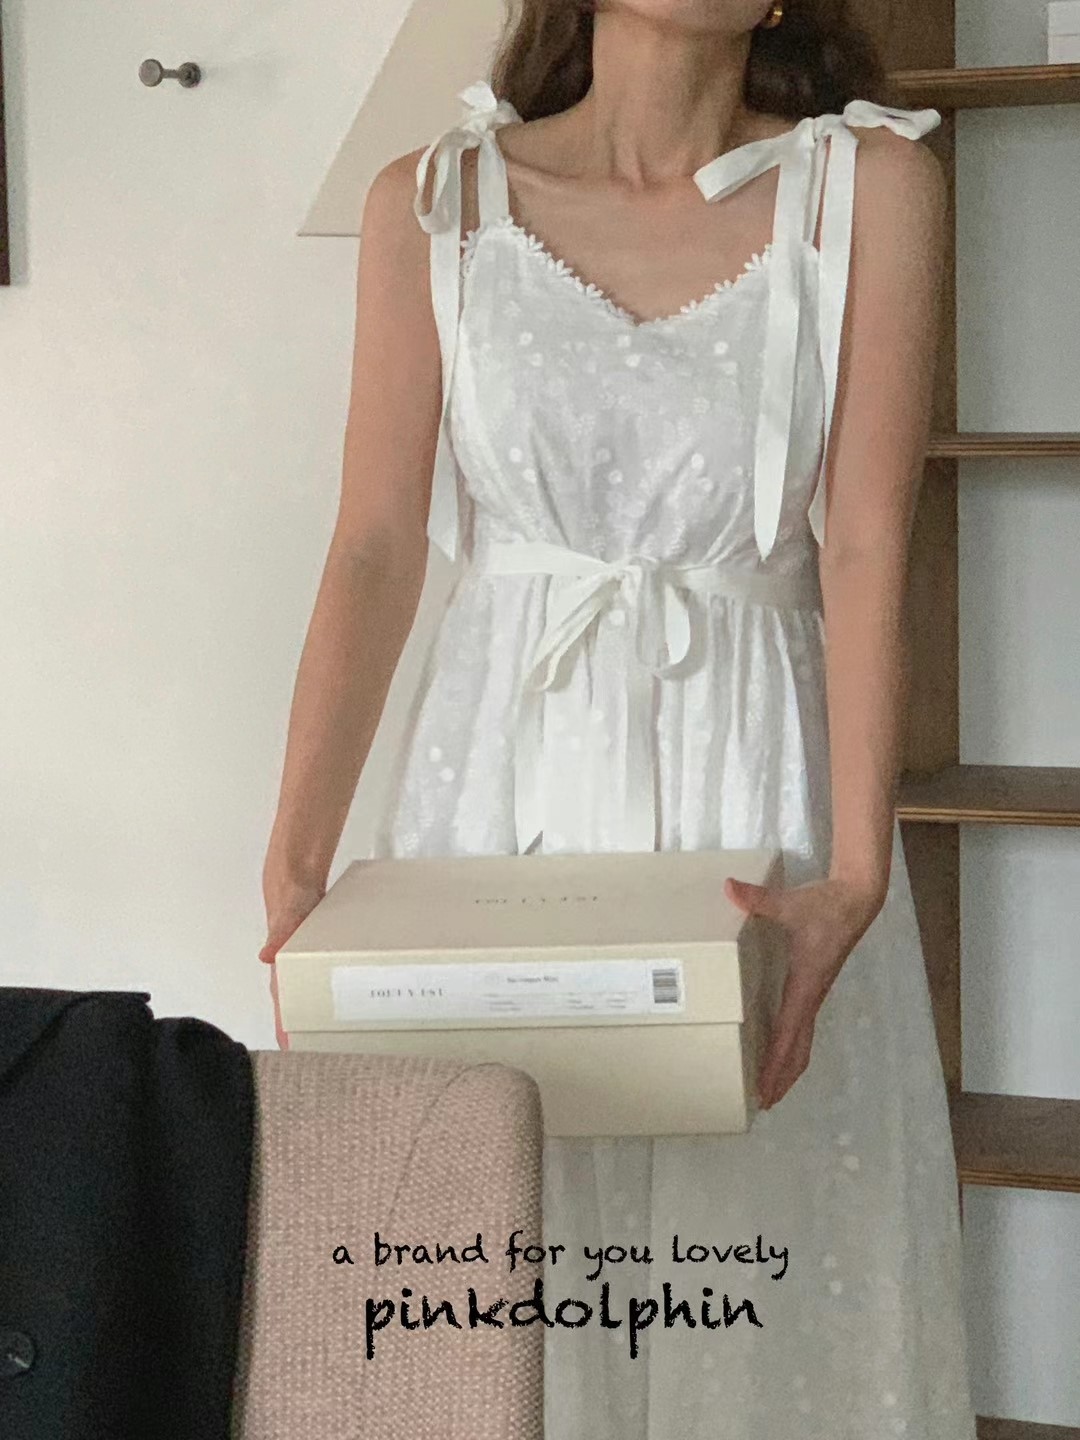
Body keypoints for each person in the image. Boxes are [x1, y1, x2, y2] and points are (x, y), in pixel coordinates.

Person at [260, 0, 978, 1434]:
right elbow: (375, 546)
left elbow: (865, 547)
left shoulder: (871, 186)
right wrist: (294, 865)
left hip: (762, 781)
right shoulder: (436, 200)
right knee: (499, 1234)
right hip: (498, 777)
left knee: (769, 1235)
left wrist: (856, 875)